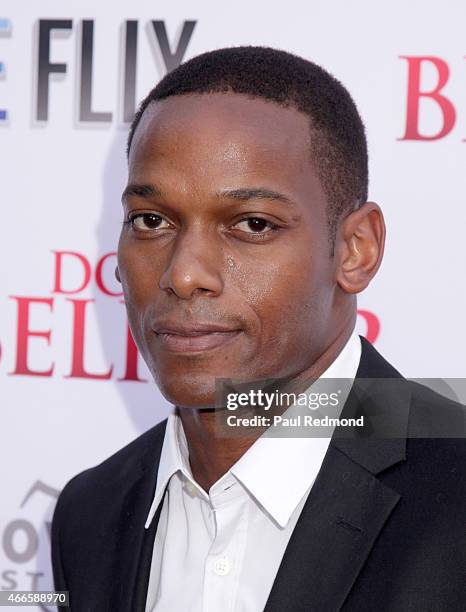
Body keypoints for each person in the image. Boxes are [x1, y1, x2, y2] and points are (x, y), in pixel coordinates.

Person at [51, 46, 466, 611]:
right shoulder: (90, 512)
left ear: (356, 249)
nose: (185, 273)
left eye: (251, 224)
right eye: (151, 221)